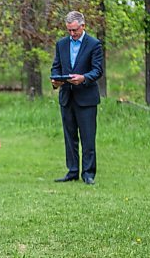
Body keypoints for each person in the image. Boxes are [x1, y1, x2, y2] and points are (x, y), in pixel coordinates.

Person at [50, 11, 103, 185]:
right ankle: (72, 171)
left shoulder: (94, 44)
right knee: (70, 136)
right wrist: (55, 81)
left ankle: (88, 173)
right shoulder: (61, 44)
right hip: (67, 97)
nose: (72, 34)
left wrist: (84, 78)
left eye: (75, 30)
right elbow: (56, 67)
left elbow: (97, 70)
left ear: (83, 26)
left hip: (86, 99)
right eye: (69, 31)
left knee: (87, 137)